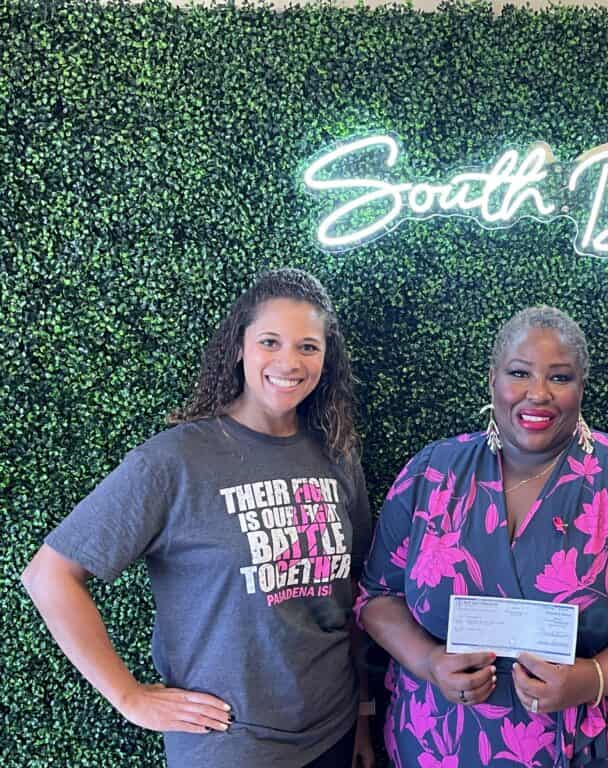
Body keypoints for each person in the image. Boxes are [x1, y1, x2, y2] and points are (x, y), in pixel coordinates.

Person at [21, 268, 376, 768]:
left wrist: (362, 712)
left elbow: (354, 593)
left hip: (331, 731)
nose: (289, 362)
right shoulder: (174, 461)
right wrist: (130, 698)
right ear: (239, 347)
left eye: (308, 347)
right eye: (270, 341)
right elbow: (48, 575)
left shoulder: (337, 456)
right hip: (228, 743)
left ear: (326, 358)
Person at [357, 305, 608, 768]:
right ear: (492, 379)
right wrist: (429, 662)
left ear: (581, 387)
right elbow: (378, 596)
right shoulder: (433, 473)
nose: (538, 394)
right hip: (444, 744)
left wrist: (594, 677)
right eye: (519, 373)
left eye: (559, 377)